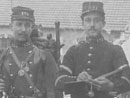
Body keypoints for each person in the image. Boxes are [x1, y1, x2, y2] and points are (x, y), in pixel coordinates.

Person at [55, 1, 130, 98]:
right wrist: (77, 79)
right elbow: (59, 81)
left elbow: (127, 80)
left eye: (97, 20)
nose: (92, 25)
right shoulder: (73, 51)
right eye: (88, 20)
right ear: (83, 23)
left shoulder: (115, 50)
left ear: (103, 23)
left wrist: (111, 85)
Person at [0, 6, 58, 98]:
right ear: (11, 26)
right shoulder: (3, 57)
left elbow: (53, 92)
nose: (23, 29)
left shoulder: (44, 56)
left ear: (32, 27)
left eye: (27, 25)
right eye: (19, 24)